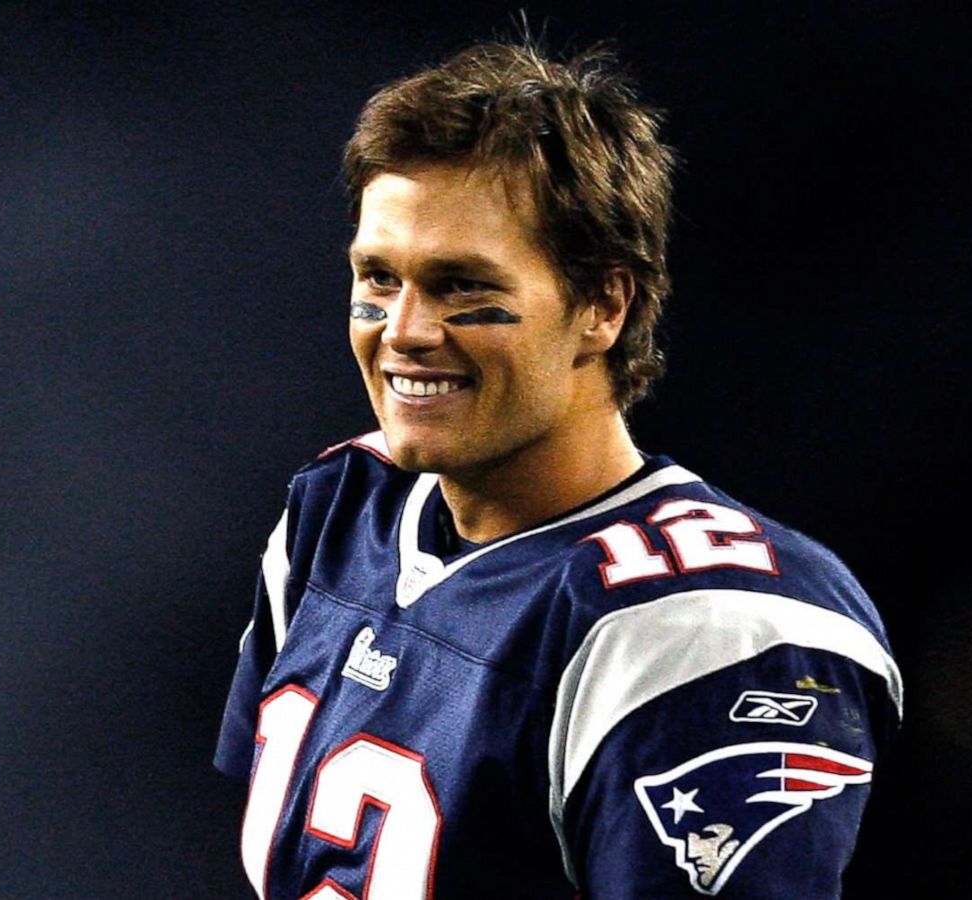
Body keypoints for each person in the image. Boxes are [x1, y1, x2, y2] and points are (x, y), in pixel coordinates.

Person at [215, 40, 901, 899]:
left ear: (603, 306)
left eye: (461, 286)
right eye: (379, 278)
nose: (405, 330)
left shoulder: (708, 624)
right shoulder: (345, 505)